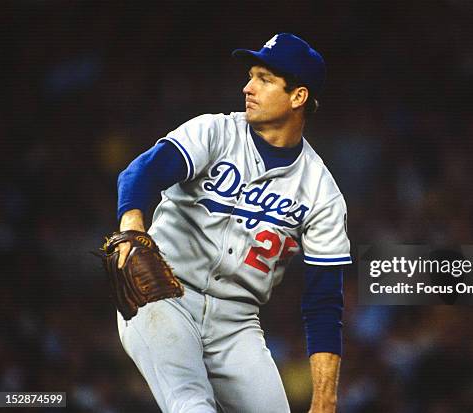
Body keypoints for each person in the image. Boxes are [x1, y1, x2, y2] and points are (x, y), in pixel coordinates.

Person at [114, 33, 351, 413]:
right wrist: (132, 227)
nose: (248, 87)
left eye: (264, 79)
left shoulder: (321, 193)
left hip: (237, 324)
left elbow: (323, 302)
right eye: (251, 75)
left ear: (298, 97)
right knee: (191, 404)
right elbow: (139, 174)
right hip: (164, 297)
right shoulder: (214, 132)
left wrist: (325, 397)